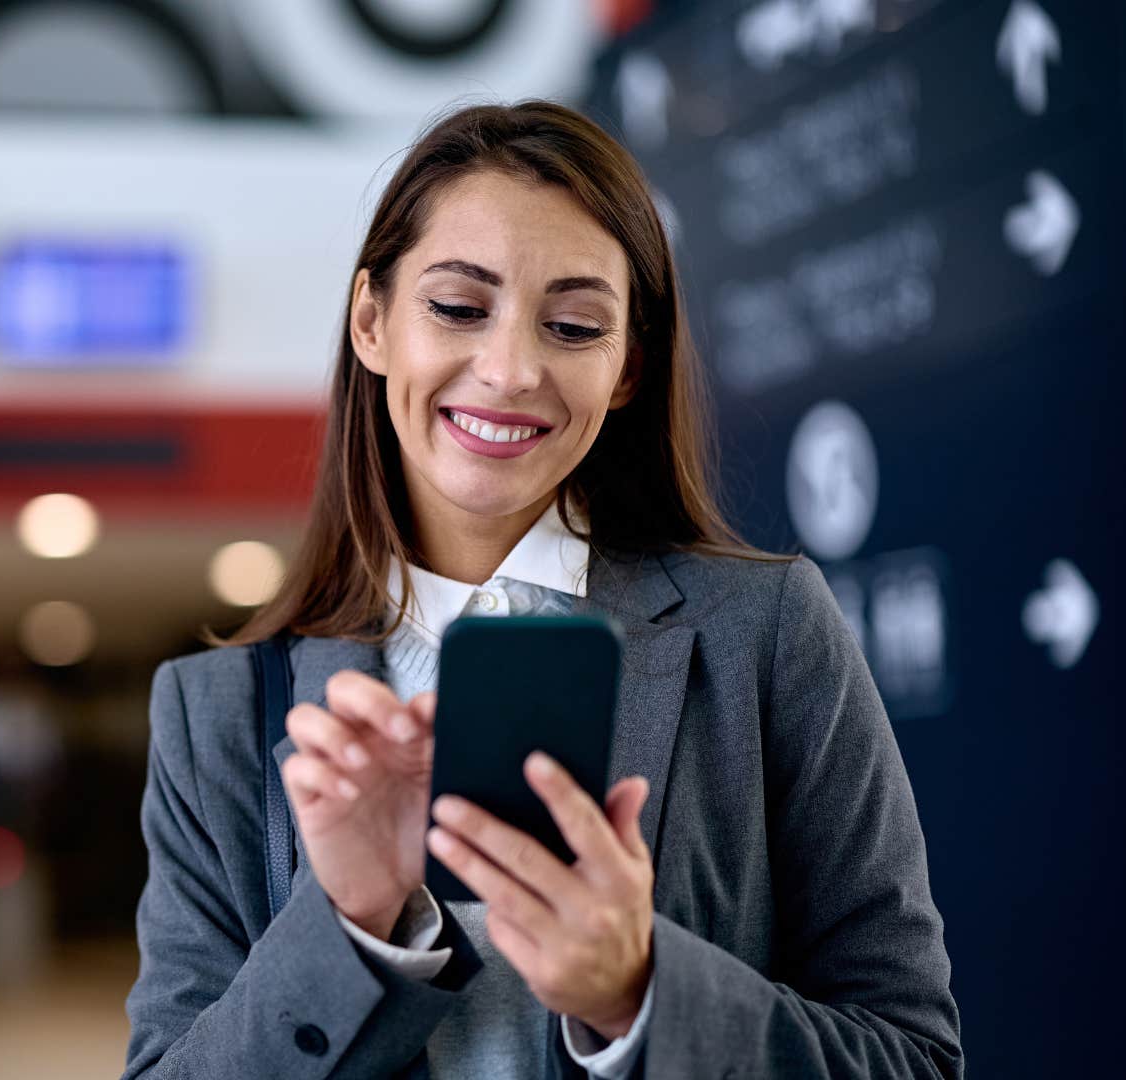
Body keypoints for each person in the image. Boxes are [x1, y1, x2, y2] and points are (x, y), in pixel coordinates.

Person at [121, 100, 961, 1079]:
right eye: (458, 307)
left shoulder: (764, 636)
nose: (512, 368)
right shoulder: (217, 709)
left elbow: (911, 1058)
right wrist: (352, 926)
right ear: (372, 321)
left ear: (626, 369)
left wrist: (638, 991)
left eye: (572, 325)